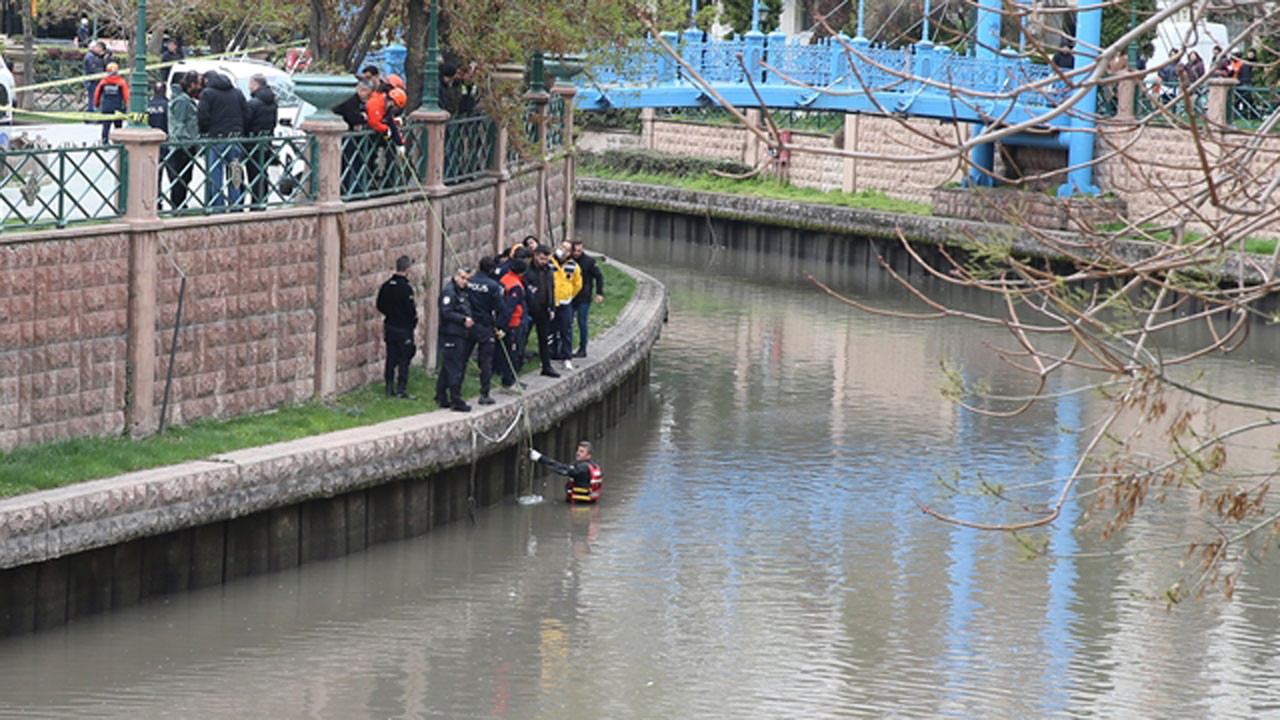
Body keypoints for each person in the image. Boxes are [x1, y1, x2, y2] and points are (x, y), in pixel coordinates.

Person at [198, 70, 251, 209]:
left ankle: (218, 207)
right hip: (235, 138)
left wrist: (204, 132)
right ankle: (235, 205)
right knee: (235, 173)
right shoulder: (237, 93)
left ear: (207, 81)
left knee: (215, 176)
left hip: (216, 138)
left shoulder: (207, 94)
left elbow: (202, 117)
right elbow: (247, 114)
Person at [376, 255, 418, 398]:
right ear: (407, 270)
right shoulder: (406, 288)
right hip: (403, 328)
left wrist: (390, 314)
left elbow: (380, 305)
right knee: (404, 358)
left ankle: (389, 387)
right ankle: (401, 388)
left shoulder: (386, 286)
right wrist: (412, 322)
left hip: (390, 326)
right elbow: (410, 310)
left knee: (391, 357)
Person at [435, 267, 475, 412]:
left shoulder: (462, 292)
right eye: (463, 278)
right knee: (455, 368)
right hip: (450, 334)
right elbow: (446, 312)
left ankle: (441, 396)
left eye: (467, 279)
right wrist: (463, 319)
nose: (465, 282)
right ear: (456, 276)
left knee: (448, 367)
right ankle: (456, 399)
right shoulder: (449, 292)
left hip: (459, 334)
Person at [466, 256, 503, 405]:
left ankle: (454, 391)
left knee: (462, 358)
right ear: (492, 270)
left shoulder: (469, 281)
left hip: (469, 323)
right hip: (485, 325)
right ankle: (484, 394)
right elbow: (499, 307)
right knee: (486, 361)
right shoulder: (493, 286)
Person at [523, 245, 560, 378]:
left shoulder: (548, 271)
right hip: (529, 309)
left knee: (543, 339)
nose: (543, 262)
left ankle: (546, 366)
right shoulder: (528, 271)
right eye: (541, 258)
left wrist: (552, 307)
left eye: (546, 259)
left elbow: (551, 289)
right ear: (535, 255)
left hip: (544, 309)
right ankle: (516, 364)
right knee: (523, 338)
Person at [166, 71, 200, 210]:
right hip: (183, 145)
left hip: (184, 143)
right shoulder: (182, 101)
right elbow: (179, 123)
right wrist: (186, 140)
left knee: (184, 177)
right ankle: (178, 204)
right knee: (181, 176)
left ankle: (180, 203)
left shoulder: (182, 99)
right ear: (191, 84)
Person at [528, 441, 603, 504]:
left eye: (581, 451)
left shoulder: (582, 468)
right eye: (578, 450)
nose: (578, 453)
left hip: (579, 505)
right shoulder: (593, 466)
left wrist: (540, 458)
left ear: (589, 455)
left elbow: (562, 469)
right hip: (589, 503)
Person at [246, 74, 278, 208]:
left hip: (253, 143)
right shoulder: (273, 102)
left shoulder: (253, 103)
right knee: (263, 172)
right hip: (266, 141)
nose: (248, 87)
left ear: (255, 85)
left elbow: (247, 122)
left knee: (253, 174)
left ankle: (256, 203)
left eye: (250, 84)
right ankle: (262, 201)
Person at [496, 256, 528, 389]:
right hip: (513, 323)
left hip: (503, 321)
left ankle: (508, 379)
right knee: (512, 353)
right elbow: (510, 308)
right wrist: (503, 326)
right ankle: (509, 382)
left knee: (505, 352)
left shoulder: (504, 279)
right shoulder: (516, 286)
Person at [569, 240, 604, 358]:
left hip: (584, 296)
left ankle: (582, 348)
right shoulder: (568, 260)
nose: (576, 253)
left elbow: (599, 276)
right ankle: (566, 348)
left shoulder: (589, 261)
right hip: (570, 296)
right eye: (574, 251)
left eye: (579, 251)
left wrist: (599, 293)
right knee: (567, 322)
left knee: (582, 322)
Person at [550, 240, 582, 367]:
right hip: (551, 302)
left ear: (570, 253)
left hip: (565, 302)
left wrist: (569, 295)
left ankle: (566, 356)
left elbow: (577, 284)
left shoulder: (573, 266)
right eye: (562, 247)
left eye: (566, 249)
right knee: (550, 330)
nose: (563, 250)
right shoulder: (549, 262)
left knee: (566, 329)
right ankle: (550, 355)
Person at [93, 63, 128, 143]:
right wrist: (126, 104)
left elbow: (97, 93)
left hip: (106, 107)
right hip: (118, 107)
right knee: (118, 126)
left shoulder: (103, 82)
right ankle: (118, 142)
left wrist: (96, 103)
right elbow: (126, 94)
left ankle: (105, 141)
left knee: (106, 126)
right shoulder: (121, 82)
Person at [83, 41, 108, 112]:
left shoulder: (96, 56)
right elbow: (93, 69)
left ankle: (94, 111)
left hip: (95, 80)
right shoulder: (90, 57)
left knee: (95, 97)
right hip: (92, 81)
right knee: (93, 98)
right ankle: (92, 112)